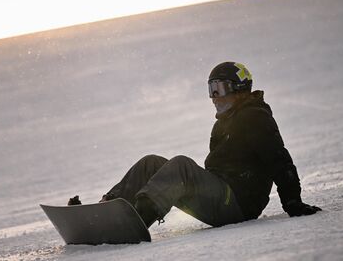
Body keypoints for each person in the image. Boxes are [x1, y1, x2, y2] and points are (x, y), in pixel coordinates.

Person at [69, 61, 321, 228]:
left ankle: (137, 220)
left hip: (238, 204)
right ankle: (104, 211)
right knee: (151, 163)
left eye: (219, 89)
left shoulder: (254, 117)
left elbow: (279, 159)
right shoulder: (226, 121)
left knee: (181, 165)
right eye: (210, 89)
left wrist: (292, 202)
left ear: (239, 88)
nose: (213, 97)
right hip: (221, 195)